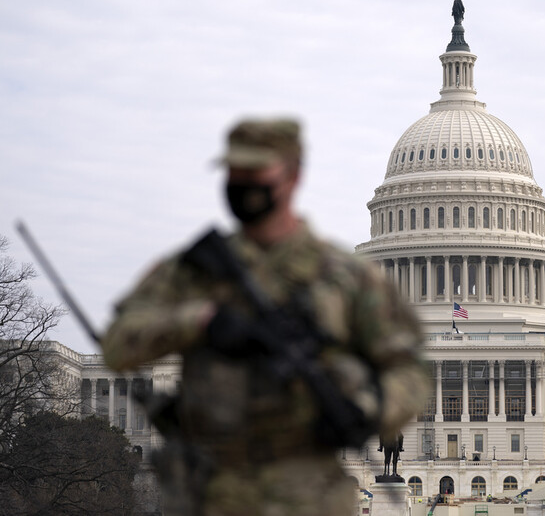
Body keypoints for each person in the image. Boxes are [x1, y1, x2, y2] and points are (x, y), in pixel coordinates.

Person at [102, 118, 428, 516]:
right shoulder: (192, 271)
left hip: (309, 498)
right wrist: (200, 320)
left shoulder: (346, 278)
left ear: (293, 176)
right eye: (235, 173)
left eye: (257, 172)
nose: (243, 183)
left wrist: (366, 409)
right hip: (210, 494)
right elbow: (117, 345)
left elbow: (411, 373)